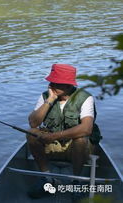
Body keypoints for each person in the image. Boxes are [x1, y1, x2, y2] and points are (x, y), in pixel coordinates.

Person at [26, 64, 102, 199]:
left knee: (81, 138)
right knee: (32, 133)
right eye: (51, 81)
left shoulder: (85, 98)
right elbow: (33, 123)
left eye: (55, 83)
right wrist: (49, 100)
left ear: (68, 86)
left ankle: (76, 181)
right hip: (53, 144)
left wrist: (54, 136)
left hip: (77, 147)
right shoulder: (45, 96)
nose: (50, 85)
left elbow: (86, 128)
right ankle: (48, 179)